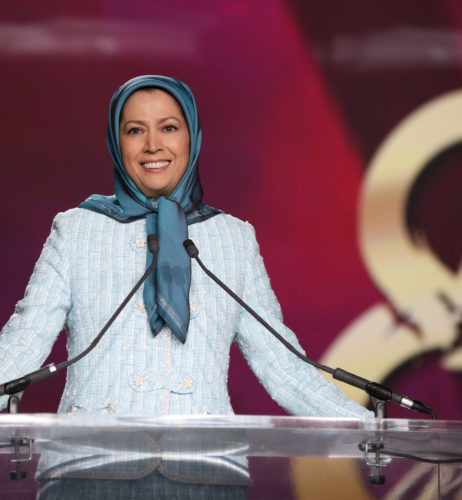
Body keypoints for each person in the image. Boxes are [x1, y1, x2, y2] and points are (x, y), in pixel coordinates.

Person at [0, 75, 372, 497]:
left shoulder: (232, 238)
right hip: (88, 473)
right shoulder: (77, 230)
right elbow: (25, 341)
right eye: (135, 130)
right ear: (116, 142)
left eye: (169, 128)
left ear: (192, 138)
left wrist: (374, 429)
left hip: (207, 476)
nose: (153, 145)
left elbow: (281, 364)